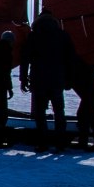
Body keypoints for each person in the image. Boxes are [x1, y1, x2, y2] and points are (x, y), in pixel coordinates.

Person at [19, 9, 75, 150]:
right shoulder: (62, 35)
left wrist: (23, 79)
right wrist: (69, 79)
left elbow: (24, 59)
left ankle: (42, 143)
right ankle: (60, 143)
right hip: (57, 80)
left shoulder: (33, 36)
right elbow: (70, 59)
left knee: (40, 114)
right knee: (59, 112)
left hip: (39, 81)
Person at [68, 52, 94, 150]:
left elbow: (68, 80)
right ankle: (84, 141)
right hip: (90, 81)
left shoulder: (67, 61)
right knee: (84, 113)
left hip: (89, 83)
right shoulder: (70, 58)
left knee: (90, 112)